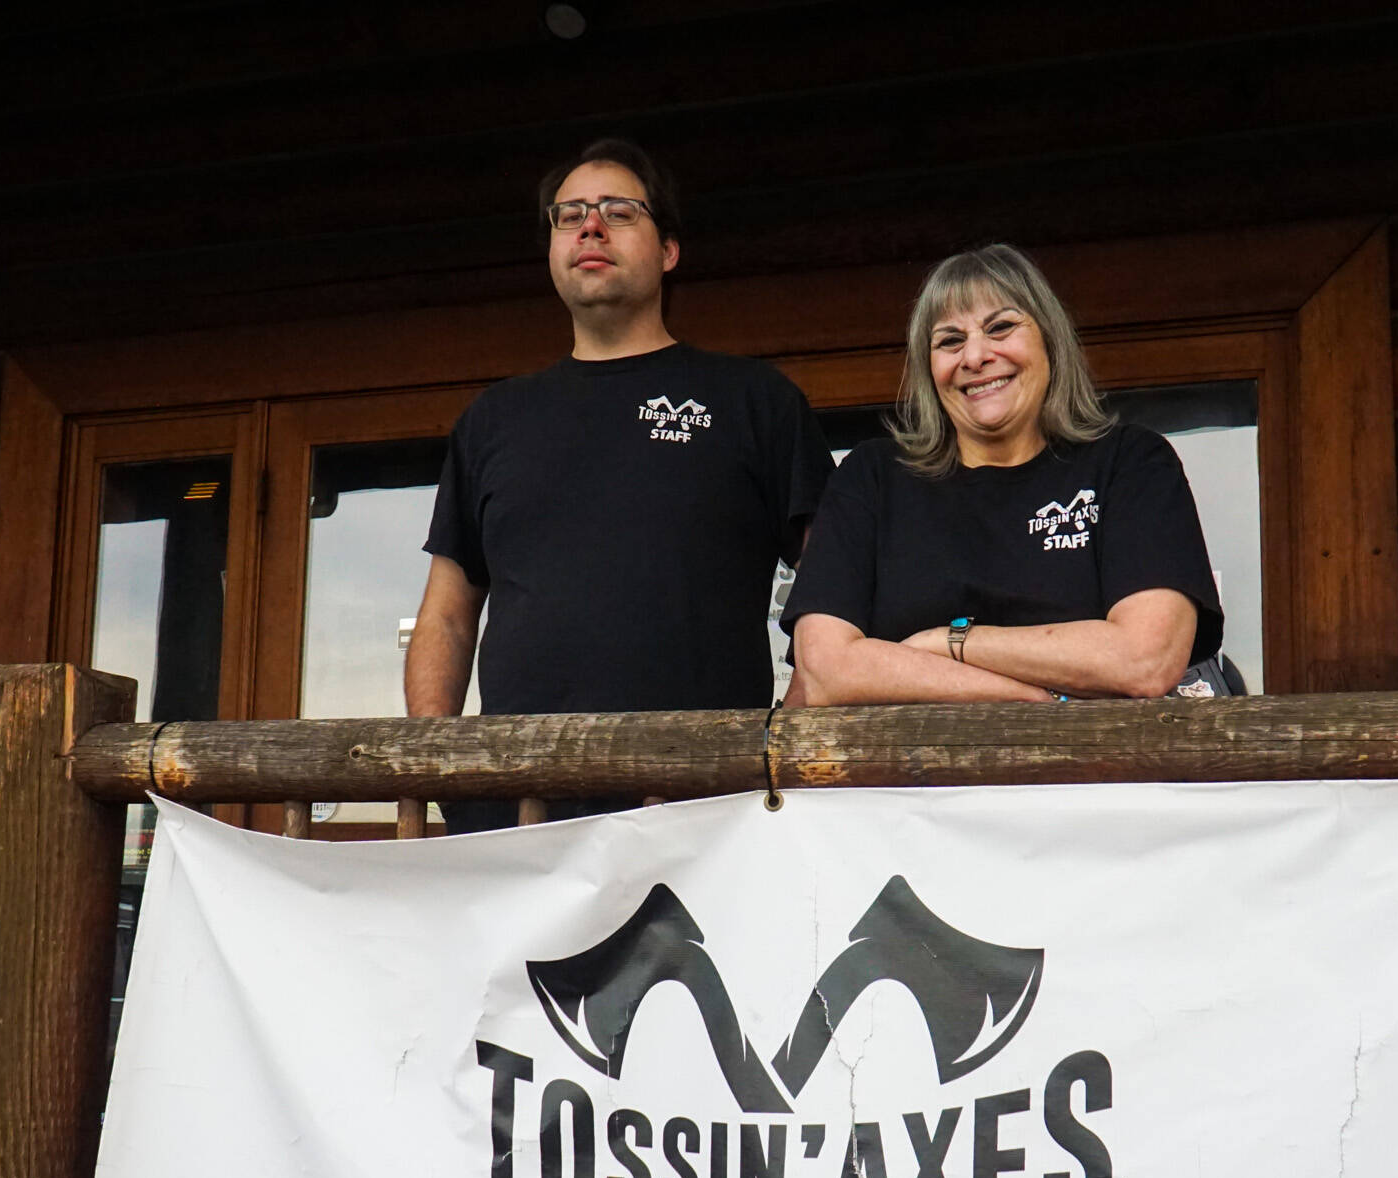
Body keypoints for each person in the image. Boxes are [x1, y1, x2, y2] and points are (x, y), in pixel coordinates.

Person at [406, 139, 832, 829]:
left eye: (617, 211)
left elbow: (831, 587)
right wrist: (438, 764)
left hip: (706, 817)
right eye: (568, 213)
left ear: (668, 249)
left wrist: (785, 742)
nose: (589, 226)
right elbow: (448, 615)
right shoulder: (492, 421)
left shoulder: (755, 401)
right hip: (515, 817)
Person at [783, 244, 1223, 704]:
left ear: (1049, 341)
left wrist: (949, 643)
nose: (974, 356)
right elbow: (826, 670)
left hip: (1093, 774)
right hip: (902, 774)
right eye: (949, 340)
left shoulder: (1130, 463)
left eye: (1001, 327)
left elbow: (1145, 661)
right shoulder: (872, 477)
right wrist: (1031, 701)